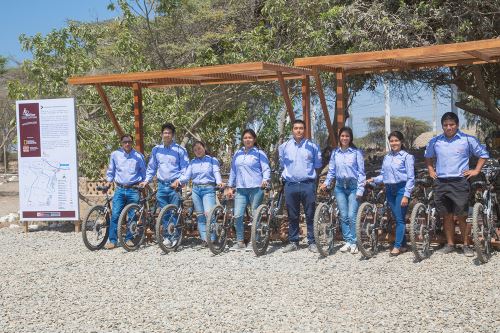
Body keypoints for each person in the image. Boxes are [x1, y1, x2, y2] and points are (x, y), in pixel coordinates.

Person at [425, 112, 489, 256]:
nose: (449, 127)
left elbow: (483, 154)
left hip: (460, 182)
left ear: (457, 125)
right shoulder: (435, 141)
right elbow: (428, 156)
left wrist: (476, 170)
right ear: (442, 126)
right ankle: (450, 244)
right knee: (446, 215)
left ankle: (466, 245)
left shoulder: (467, 139)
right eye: (446, 125)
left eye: (452, 124)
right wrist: (430, 170)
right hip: (441, 183)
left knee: (462, 215)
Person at [139, 123, 189, 247]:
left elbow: (186, 168)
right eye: (164, 133)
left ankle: (176, 237)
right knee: (164, 213)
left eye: (169, 133)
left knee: (174, 212)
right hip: (161, 185)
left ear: (172, 135)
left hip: (174, 186)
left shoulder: (180, 150)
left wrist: (181, 181)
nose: (166, 135)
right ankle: (167, 236)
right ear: (161, 134)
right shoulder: (156, 149)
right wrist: (146, 180)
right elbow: (151, 167)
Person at [366, 131, 414, 256]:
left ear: (401, 142)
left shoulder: (407, 157)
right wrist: (374, 179)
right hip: (389, 189)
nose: (394, 143)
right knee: (397, 217)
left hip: (401, 189)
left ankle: (397, 246)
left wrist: (406, 195)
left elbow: (410, 178)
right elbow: (383, 175)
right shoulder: (387, 157)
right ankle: (403, 245)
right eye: (391, 141)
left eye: (396, 140)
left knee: (399, 219)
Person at [320, 127, 365, 254]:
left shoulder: (356, 153)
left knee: (352, 215)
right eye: (342, 136)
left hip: (353, 186)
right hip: (339, 187)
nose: (344, 138)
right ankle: (348, 241)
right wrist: (326, 183)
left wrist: (360, 189)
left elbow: (361, 173)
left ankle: (355, 242)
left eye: (347, 136)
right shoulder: (335, 153)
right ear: (339, 137)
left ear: (350, 138)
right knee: (343, 215)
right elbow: (332, 171)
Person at [280, 120, 322, 253]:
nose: (298, 130)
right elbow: (283, 164)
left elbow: (318, 165)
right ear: (292, 130)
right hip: (290, 184)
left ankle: (312, 242)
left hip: (307, 184)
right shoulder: (284, 146)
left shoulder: (313, 147)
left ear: (305, 130)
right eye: (296, 128)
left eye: (301, 128)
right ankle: (294, 241)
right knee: (292, 214)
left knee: (310, 213)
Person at [226, 129, 271, 251]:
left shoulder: (259, 153)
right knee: (237, 215)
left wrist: (265, 179)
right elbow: (233, 171)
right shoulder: (237, 154)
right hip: (241, 188)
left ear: (254, 139)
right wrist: (230, 186)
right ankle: (240, 242)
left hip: (256, 188)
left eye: (250, 137)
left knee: (255, 215)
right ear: (242, 140)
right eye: (245, 138)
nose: (247, 140)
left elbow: (266, 169)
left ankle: (254, 241)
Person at [104, 134, 146, 250]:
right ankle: (112, 241)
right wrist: (108, 182)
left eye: (129, 142)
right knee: (116, 215)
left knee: (132, 216)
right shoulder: (115, 155)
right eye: (125, 142)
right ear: (121, 143)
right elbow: (111, 171)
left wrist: (143, 183)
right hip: (120, 190)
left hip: (133, 189)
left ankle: (129, 239)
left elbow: (143, 173)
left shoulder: (138, 156)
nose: (127, 144)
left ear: (132, 142)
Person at [179, 141, 223, 246]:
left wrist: (219, 182)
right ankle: (205, 239)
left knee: (209, 214)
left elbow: (216, 172)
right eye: (195, 150)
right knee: (200, 216)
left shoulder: (212, 160)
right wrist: (179, 181)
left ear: (204, 148)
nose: (197, 151)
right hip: (196, 190)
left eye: (199, 148)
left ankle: (212, 238)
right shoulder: (193, 162)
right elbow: (186, 176)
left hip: (208, 189)